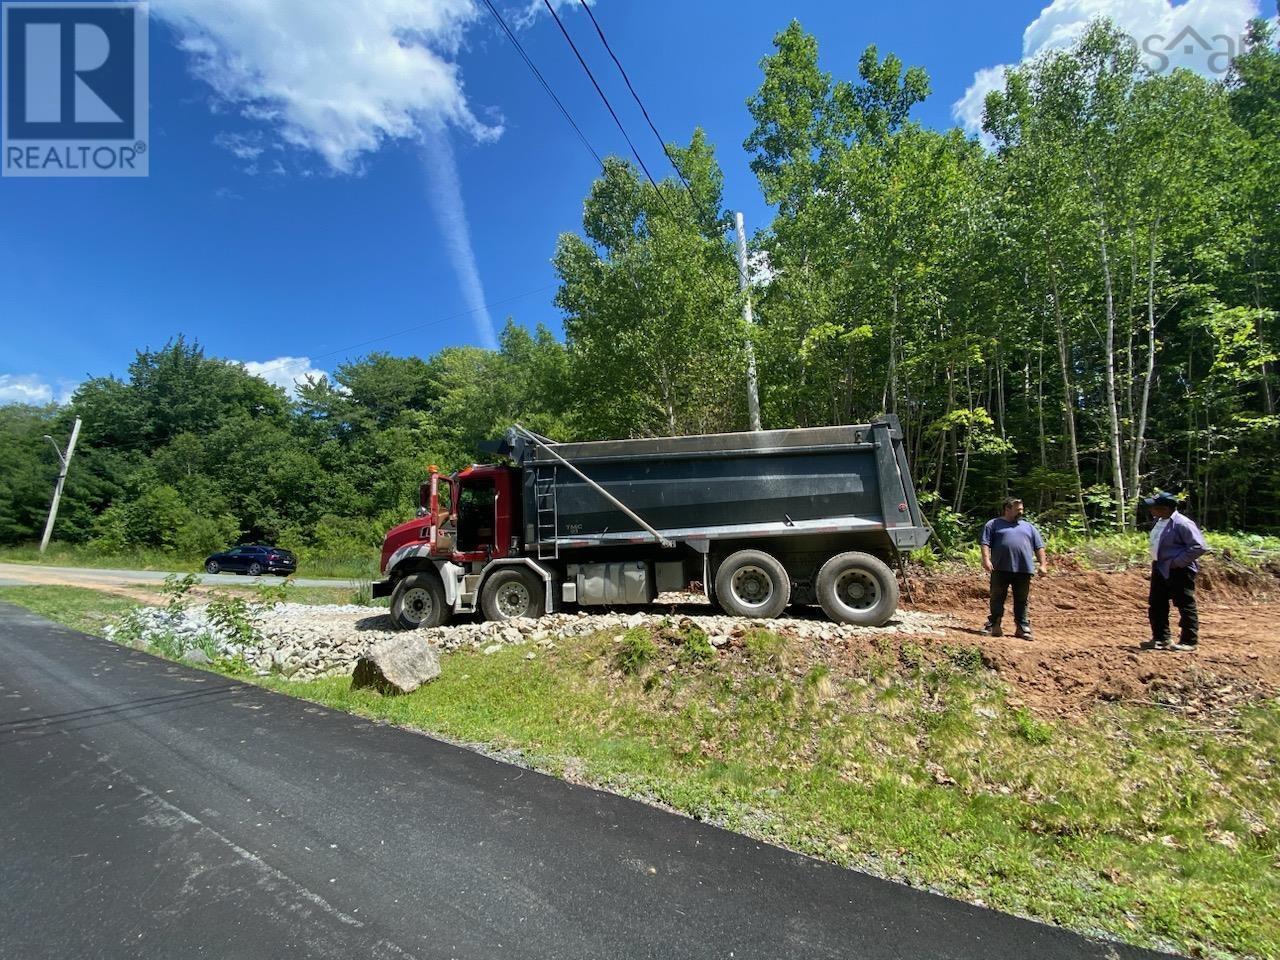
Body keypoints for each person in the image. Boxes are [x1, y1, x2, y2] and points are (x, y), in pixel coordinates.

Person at [1141, 492, 1207, 652]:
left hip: (1179, 570)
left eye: (1153, 508)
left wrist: (1177, 562)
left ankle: (1189, 641)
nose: (1151, 510)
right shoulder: (1159, 521)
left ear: (1164, 509)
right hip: (1159, 567)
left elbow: (1199, 547)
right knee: (1157, 603)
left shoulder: (1182, 524)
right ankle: (1161, 638)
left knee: (1184, 604)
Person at [979, 497, 1048, 639]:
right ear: (1007, 509)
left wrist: (1043, 564)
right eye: (1018, 510)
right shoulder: (993, 524)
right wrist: (986, 559)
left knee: (1021, 599)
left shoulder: (1029, 527)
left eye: (1022, 509)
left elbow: (1039, 547)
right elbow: (985, 543)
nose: (1021, 512)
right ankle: (994, 624)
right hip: (1000, 567)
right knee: (997, 596)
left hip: (1024, 569)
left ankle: (1022, 626)